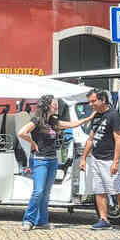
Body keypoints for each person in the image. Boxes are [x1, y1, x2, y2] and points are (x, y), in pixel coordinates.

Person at [17, 94, 93, 230]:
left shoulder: (53, 121)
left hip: (52, 160)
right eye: (54, 104)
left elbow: (71, 124)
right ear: (47, 106)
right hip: (40, 160)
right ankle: (28, 220)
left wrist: (89, 118)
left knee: (46, 192)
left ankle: (42, 221)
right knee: (38, 191)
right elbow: (22, 132)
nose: (56, 106)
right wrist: (33, 143)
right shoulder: (37, 120)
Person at [80, 89, 120, 232]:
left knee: (117, 190)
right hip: (96, 159)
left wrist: (116, 162)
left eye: (93, 101)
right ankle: (103, 219)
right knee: (99, 191)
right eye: (89, 102)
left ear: (102, 100)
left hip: (109, 159)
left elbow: (119, 139)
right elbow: (91, 139)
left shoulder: (114, 116)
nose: (90, 104)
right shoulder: (97, 116)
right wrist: (84, 157)